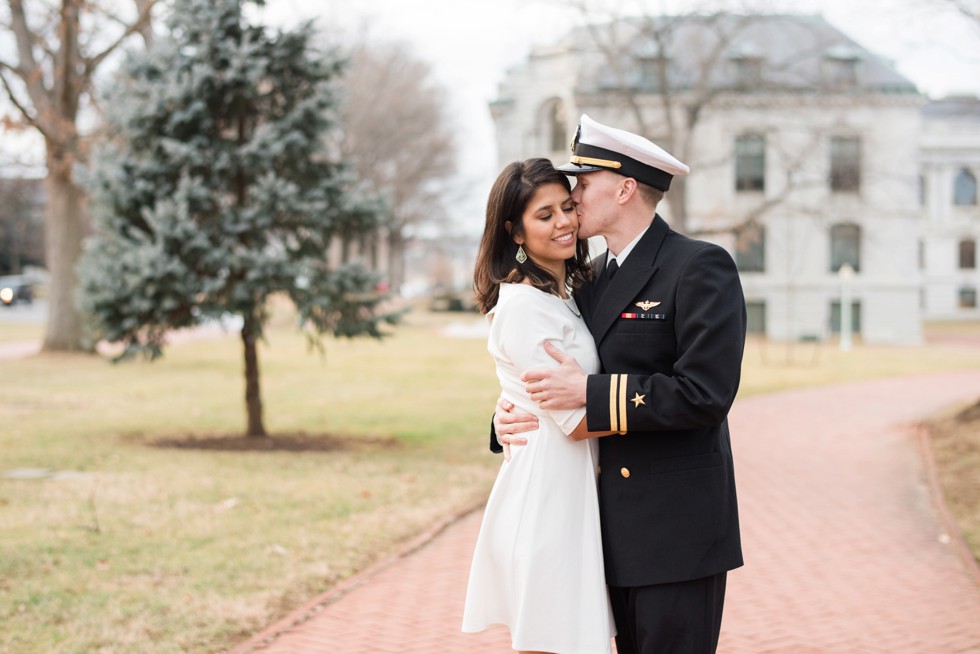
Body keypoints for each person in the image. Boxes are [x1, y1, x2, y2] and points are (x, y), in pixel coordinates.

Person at [493, 114, 747, 654]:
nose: (573, 198)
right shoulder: (592, 278)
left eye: (582, 185)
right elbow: (556, 364)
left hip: (675, 531)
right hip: (604, 531)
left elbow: (706, 393)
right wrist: (505, 417)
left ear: (625, 188)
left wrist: (591, 394)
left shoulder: (698, 266)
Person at [462, 157, 617, 654]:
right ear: (516, 232)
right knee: (551, 639)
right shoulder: (525, 305)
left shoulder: (566, 293)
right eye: (544, 215)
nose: (565, 222)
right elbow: (572, 422)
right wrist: (667, 404)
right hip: (548, 497)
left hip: (571, 490)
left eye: (567, 207)